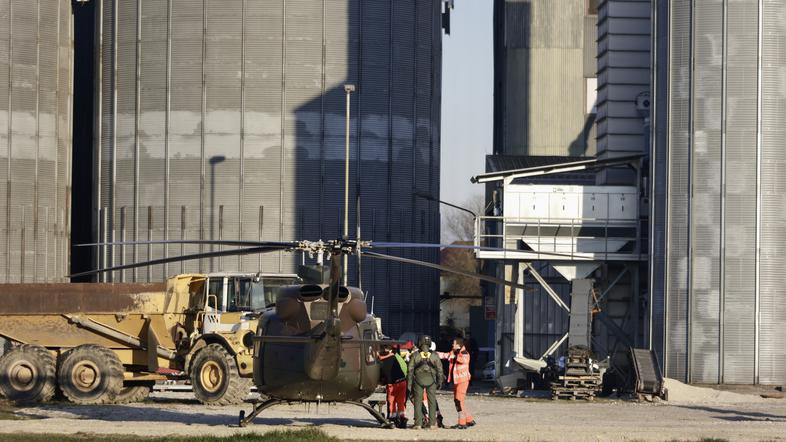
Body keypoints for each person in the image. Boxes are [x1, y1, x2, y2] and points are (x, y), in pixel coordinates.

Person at [438, 336, 476, 429]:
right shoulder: (454, 352)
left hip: (462, 381)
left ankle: (462, 423)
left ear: (458, 345)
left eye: (454, 343)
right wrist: (433, 353)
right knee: (458, 401)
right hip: (456, 381)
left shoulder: (465, 353)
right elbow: (445, 355)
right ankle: (469, 420)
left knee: (459, 401)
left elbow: (462, 360)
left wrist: (455, 355)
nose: (452, 344)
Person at [407, 335, 444, 429]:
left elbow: (410, 370)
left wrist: (409, 384)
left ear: (420, 343)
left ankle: (418, 424)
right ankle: (432, 424)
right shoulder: (435, 355)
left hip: (418, 380)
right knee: (432, 401)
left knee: (418, 401)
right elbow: (440, 370)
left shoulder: (415, 355)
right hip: (431, 380)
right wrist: (440, 382)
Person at [378, 344, 408, 429]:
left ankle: (392, 418)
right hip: (403, 381)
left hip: (392, 384)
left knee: (391, 402)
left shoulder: (380, 361)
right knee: (401, 402)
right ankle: (402, 419)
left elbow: (381, 375)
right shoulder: (395, 357)